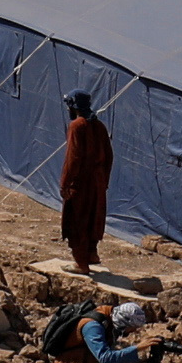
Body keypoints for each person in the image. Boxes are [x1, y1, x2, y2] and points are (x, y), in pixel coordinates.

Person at [58, 88, 114, 272]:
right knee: (93, 217)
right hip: (97, 181)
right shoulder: (100, 126)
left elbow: (73, 158)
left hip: (81, 181)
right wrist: (104, 180)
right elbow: (109, 155)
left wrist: (65, 183)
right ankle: (92, 253)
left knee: (77, 219)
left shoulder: (77, 126)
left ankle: (81, 263)